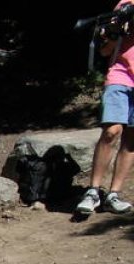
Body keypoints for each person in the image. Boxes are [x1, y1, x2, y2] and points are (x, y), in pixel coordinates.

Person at [76, 0, 134, 216]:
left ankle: (114, 194)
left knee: (131, 138)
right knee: (112, 131)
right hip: (120, 76)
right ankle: (92, 191)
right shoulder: (125, 5)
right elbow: (105, 51)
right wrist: (114, 32)